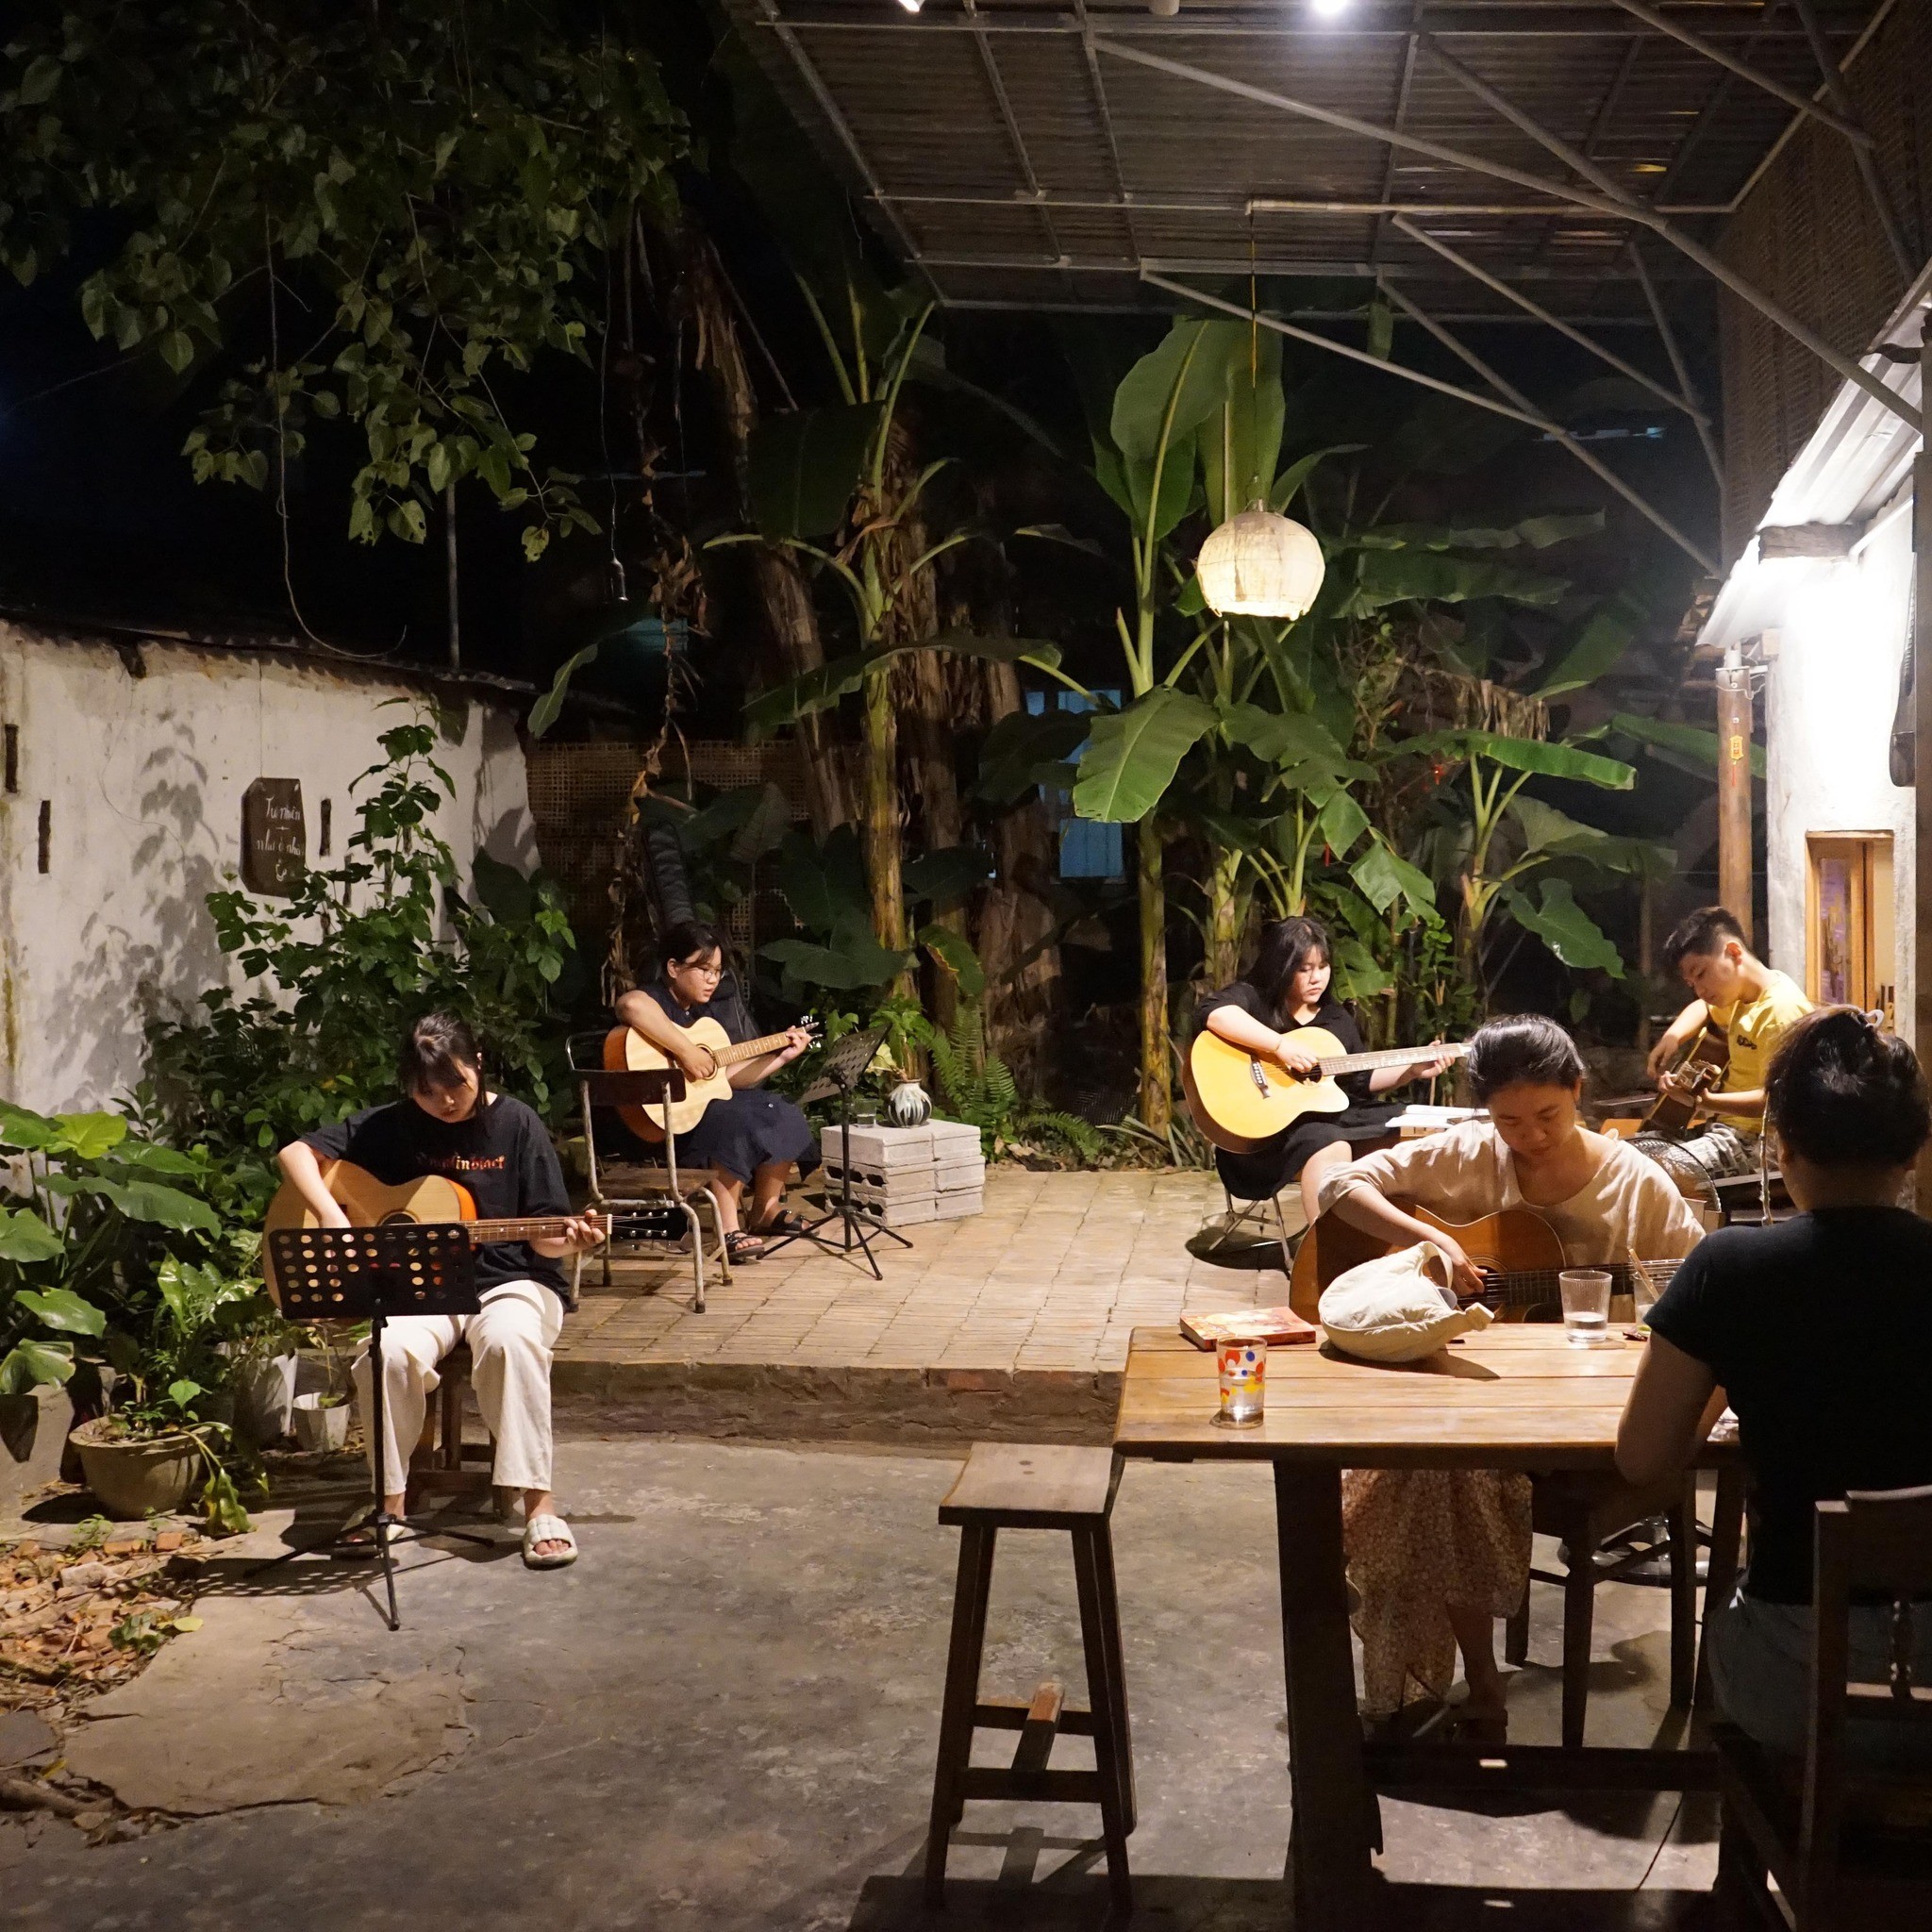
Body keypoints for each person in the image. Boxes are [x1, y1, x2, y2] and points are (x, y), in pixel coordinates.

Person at [1316, 1014, 1705, 1737]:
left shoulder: (1635, 1184)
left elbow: (1699, 1280)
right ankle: (1477, 1675)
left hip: (1590, 1411)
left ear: (1579, 1091)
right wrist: (1432, 1237)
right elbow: (1341, 1185)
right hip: (1484, 1398)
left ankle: (1448, 1679)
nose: (1528, 1136)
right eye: (1509, 1121)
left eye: (1548, 1116)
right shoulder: (1470, 1155)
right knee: (1433, 1467)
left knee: (1426, 1471)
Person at [1618, 1008, 1932, 1762]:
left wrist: (1731, 1375)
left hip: (1800, 1683)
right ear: (1914, 1151)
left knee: (1719, 1638)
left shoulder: (1730, 1271)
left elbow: (1642, 1458)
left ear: (1781, 1148)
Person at [275, 1014, 605, 1570]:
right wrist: (333, 1215)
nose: (446, 1102)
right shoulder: (393, 1125)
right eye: (429, 1093)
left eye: (457, 1085)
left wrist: (573, 1243)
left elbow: (545, 1239)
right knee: (385, 1353)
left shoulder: (517, 1123)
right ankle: (388, 1503)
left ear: (478, 1063)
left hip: (513, 1281)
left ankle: (538, 1507)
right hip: (421, 1290)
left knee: (510, 1343)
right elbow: (294, 1154)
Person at [1191, 915, 1452, 1229]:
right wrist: (1279, 1047)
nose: (1317, 978)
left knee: (1404, 1125)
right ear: (1282, 967)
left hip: (1325, 1121)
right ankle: (1327, 1250)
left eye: (1323, 966)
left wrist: (1411, 1070)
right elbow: (1214, 1013)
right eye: (1305, 969)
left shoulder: (1334, 1019)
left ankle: (1385, 1236)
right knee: (1330, 1141)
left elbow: (1358, 1082)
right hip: (1263, 1140)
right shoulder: (1254, 999)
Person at [611, 921, 818, 1264]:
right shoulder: (657, 998)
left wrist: (781, 1055)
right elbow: (630, 1005)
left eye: (717, 972)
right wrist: (686, 1052)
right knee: (729, 1116)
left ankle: (765, 1210)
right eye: (703, 969)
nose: (712, 979)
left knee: (780, 1108)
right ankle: (727, 1228)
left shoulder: (703, 1014)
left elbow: (727, 1076)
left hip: (691, 1111)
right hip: (650, 1122)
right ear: (673, 968)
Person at [1638, 906, 1812, 1202]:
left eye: (1701, 974)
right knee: (1631, 1152)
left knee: (1650, 1174)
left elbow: (1778, 1100)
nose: (1700, 990)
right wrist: (1673, 1036)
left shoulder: (1781, 1012)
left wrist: (1706, 1100)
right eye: (1692, 983)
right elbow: (1703, 1009)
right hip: (1726, 1131)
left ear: (1733, 952)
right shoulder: (1739, 995)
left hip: (1762, 1145)